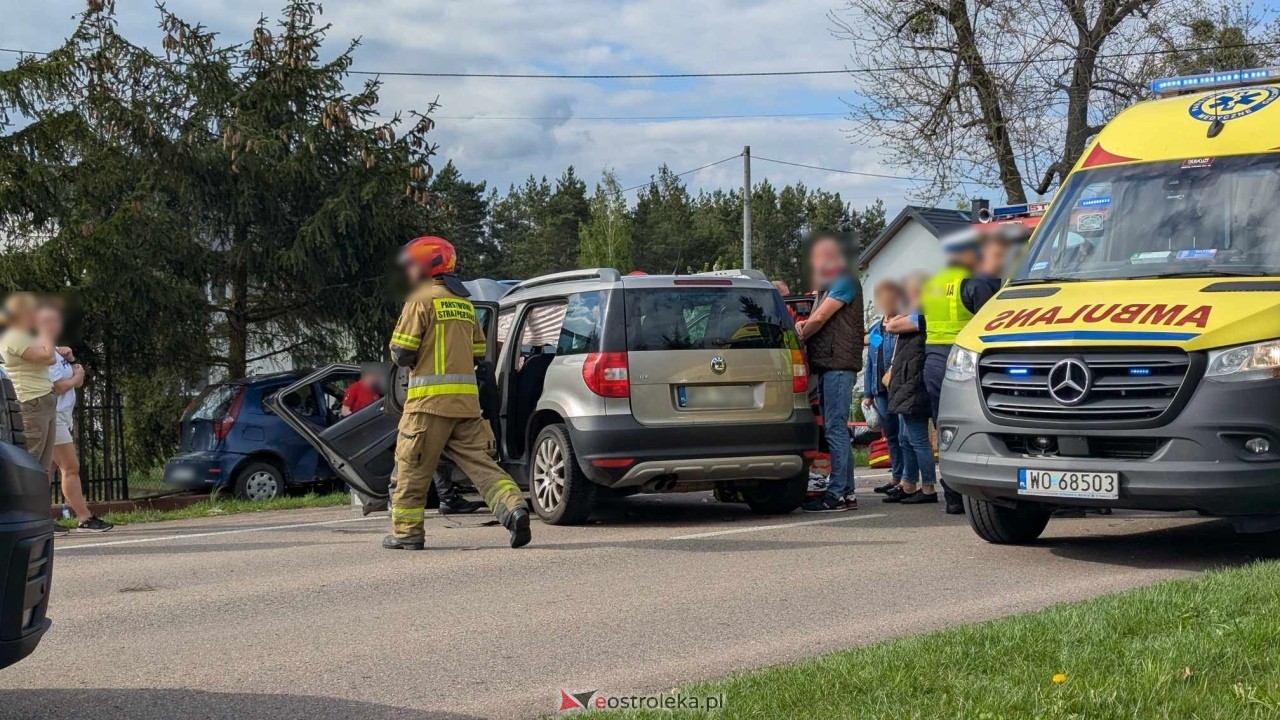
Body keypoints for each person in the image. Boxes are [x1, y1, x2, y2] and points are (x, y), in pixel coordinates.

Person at [383, 235, 531, 551]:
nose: (408, 272)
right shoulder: (463, 305)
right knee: (483, 466)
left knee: (412, 467)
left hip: (427, 406)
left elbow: (401, 352)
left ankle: (407, 533)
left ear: (425, 266)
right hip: (466, 407)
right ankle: (514, 509)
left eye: (410, 265)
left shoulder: (421, 300)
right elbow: (479, 351)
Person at [889, 231, 1000, 514]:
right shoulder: (977, 281)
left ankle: (952, 496)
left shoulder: (935, 284)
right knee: (979, 425)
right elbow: (994, 323)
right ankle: (982, 492)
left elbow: (922, 322)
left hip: (935, 362)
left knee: (945, 428)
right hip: (967, 359)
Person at [796, 235, 864, 513]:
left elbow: (821, 318)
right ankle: (846, 493)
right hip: (828, 364)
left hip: (838, 364)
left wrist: (803, 329)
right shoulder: (828, 285)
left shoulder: (843, 281)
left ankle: (836, 494)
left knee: (836, 430)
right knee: (836, 430)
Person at [41, 303, 112, 532]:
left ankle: (42, 519)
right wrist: (77, 373)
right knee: (70, 466)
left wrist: (72, 362)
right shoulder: (43, 351)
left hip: (62, 415)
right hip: (54, 415)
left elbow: (77, 381)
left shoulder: (56, 351)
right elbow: (58, 386)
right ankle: (84, 517)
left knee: (47, 470)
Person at [883, 272, 938, 504]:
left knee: (917, 439)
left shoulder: (923, 315)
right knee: (905, 438)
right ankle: (908, 484)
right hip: (906, 384)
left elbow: (891, 325)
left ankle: (928, 488)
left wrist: (904, 312)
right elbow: (890, 322)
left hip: (914, 385)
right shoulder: (916, 313)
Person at [0, 294, 59, 472]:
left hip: (42, 401)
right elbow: (47, 357)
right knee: (29, 465)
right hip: (31, 402)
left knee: (43, 468)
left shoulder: (25, 336)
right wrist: (47, 331)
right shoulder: (14, 336)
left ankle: (39, 500)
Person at [863, 280, 904, 495]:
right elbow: (871, 361)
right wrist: (867, 393)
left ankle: (908, 479)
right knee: (891, 436)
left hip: (900, 389)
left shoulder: (901, 326)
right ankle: (897, 477)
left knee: (905, 435)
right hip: (880, 391)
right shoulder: (877, 329)